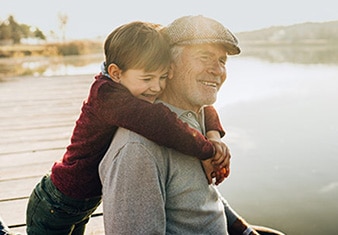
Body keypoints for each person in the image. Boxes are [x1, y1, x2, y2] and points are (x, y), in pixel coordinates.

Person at [26, 21, 230, 235]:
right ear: (115, 73)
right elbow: (159, 122)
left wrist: (213, 135)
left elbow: (203, 105)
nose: (157, 87)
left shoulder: (135, 84)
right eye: (148, 78)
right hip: (57, 202)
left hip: (84, 202)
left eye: (162, 77)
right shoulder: (107, 96)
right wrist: (206, 150)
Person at [99, 15, 285, 235]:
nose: (217, 70)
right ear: (169, 66)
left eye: (222, 61)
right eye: (205, 57)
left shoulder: (192, 119)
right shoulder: (138, 149)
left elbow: (198, 200)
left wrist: (243, 230)